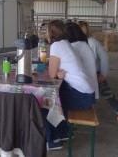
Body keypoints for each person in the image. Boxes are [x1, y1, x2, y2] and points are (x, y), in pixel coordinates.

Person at [44, 19, 97, 151]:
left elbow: (51, 73)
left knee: (47, 102)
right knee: (58, 95)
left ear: (51, 33)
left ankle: (53, 140)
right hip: (87, 94)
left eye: (46, 31)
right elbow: (56, 71)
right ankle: (64, 132)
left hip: (82, 97)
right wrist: (57, 73)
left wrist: (56, 74)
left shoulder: (56, 46)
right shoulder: (66, 43)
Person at [78, 21, 118, 126]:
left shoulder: (92, 42)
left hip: (94, 73)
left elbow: (104, 57)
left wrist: (103, 74)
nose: (81, 32)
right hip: (81, 74)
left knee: (107, 93)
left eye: (83, 29)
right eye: (79, 29)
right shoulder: (76, 42)